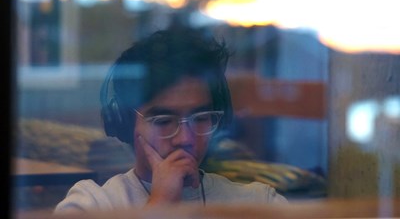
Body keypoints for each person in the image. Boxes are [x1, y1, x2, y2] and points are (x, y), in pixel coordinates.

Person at [54, 28, 287, 213]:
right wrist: (160, 205)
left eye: (201, 118)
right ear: (125, 123)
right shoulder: (92, 204)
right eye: (164, 121)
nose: (186, 138)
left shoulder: (259, 203)